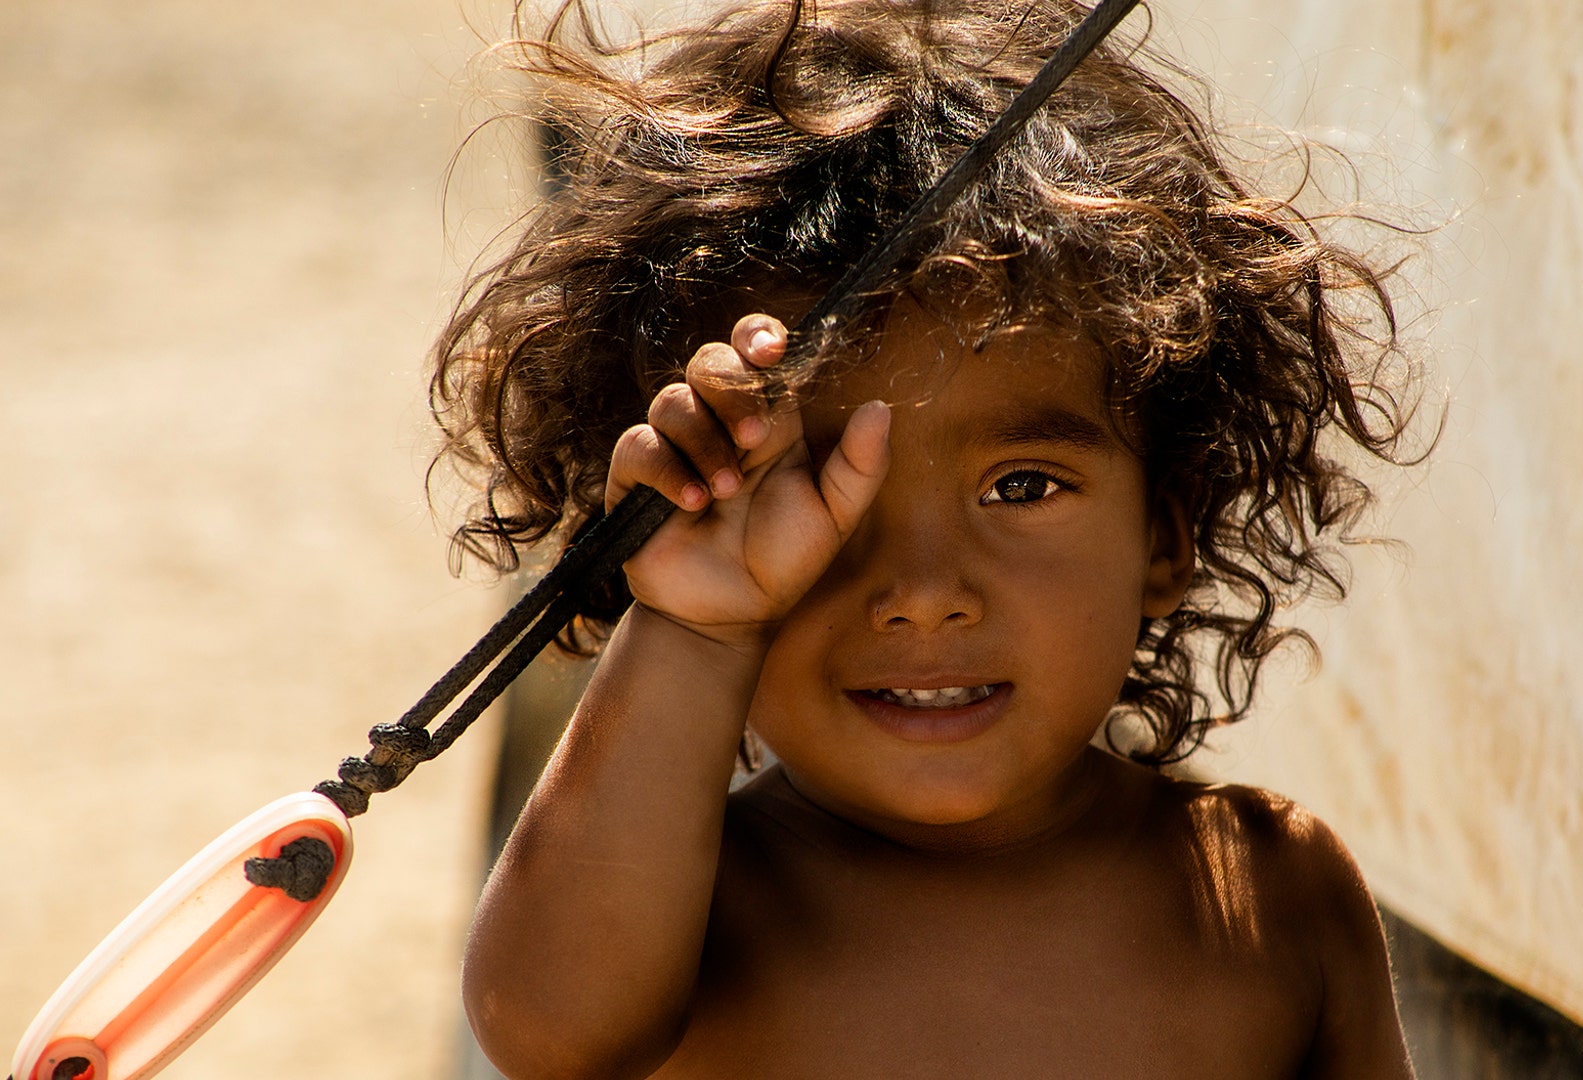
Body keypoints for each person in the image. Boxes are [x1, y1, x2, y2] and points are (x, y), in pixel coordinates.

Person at [441, 0, 1422, 1075]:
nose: (923, 593)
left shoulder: (1266, 894)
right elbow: (543, 1032)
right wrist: (700, 625)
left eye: (1023, 484)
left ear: (1164, 538)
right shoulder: (682, 916)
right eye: (817, 496)